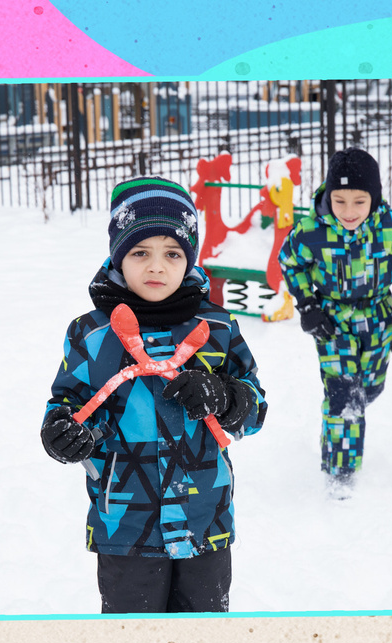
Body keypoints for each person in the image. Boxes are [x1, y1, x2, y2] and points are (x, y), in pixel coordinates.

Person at [40, 175, 267, 614]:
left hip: (205, 522)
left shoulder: (217, 330)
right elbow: (65, 405)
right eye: (140, 252)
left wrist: (223, 394)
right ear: (118, 256)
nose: (156, 266)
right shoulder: (92, 335)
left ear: (190, 259)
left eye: (172, 254)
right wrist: (61, 434)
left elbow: (254, 408)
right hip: (126, 526)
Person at [275, 147, 392, 497]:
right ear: (328, 196)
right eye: (340, 200)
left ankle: (341, 424)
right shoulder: (311, 231)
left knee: (369, 390)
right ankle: (340, 478)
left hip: (377, 320)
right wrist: (308, 306)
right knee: (345, 398)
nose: (349, 212)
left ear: (374, 199)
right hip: (332, 325)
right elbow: (288, 261)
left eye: (359, 202)